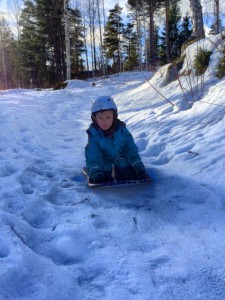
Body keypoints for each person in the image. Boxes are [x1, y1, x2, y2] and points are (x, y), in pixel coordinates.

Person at [85, 96, 149, 184]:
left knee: (128, 174)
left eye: (108, 117)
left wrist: (139, 168)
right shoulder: (94, 134)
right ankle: (98, 172)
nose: (104, 121)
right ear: (94, 119)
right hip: (104, 163)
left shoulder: (122, 131)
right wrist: (95, 171)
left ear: (114, 117)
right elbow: (93, 155)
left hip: (121, 161)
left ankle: (127, 171)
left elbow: (131, 151)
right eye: (100, 118)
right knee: (102, 176)